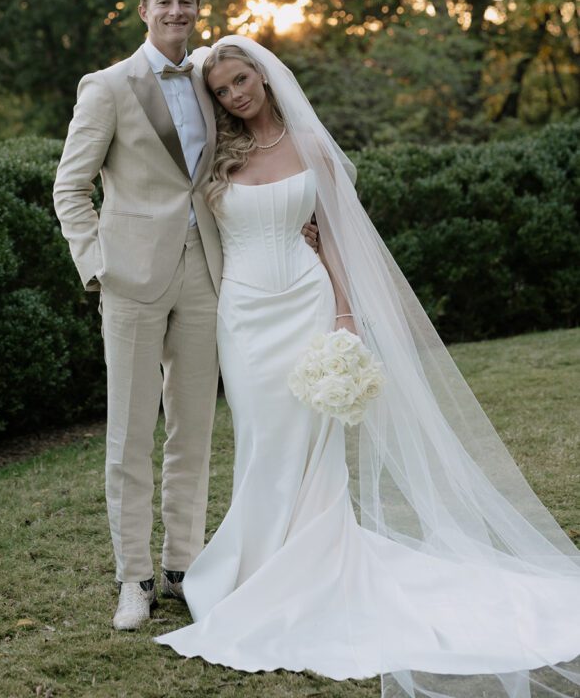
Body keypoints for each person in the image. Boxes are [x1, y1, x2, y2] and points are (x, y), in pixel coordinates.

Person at [155, 37, 580, 698]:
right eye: (223, 91)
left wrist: (346, 317)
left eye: (242, 80)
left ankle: (309, 566)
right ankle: (256, 564)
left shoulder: (313, 149)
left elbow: (336, 240)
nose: (236, 94)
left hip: (306, 304)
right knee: (262, 441)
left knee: (313, 445)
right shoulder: (216, 158)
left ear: (263, 77)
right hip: (244, 318)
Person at [53, 0, 317, 631]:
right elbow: (70, 187)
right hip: (132, 282)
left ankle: (181, 566)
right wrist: (98, 266)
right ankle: (133, 578)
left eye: (187, 2)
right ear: (143, 7)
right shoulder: (108, 87)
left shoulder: (208, 81)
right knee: (131, 433)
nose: (176, 11)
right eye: (165, 1)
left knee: (193, 430)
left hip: (207, 277)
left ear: (197, 8)